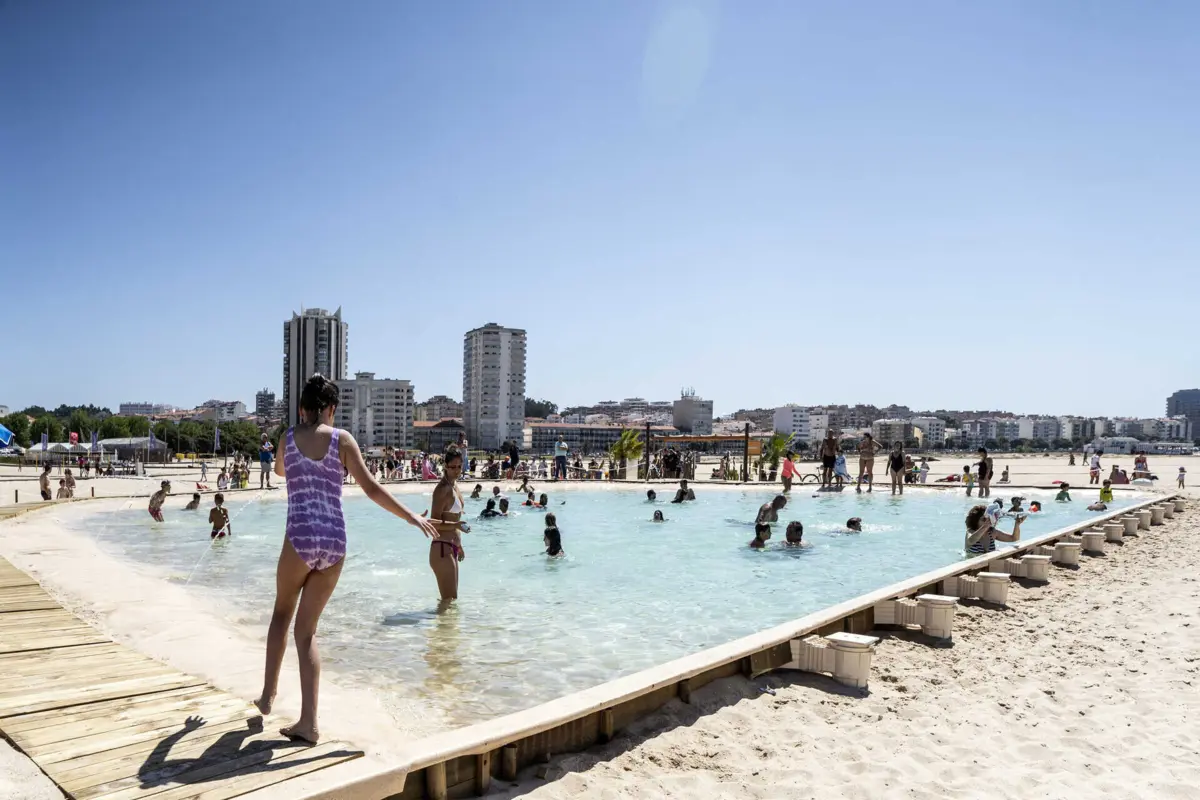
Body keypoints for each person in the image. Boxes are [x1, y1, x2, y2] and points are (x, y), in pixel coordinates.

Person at [255, 374, 438, 744]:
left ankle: (268, 696)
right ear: (332, 409)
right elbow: (371, 487)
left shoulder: (288, 437)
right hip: (335, 542)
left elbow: (279, 470)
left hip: (300, 537)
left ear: (302, 408)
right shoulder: (343, 440)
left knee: (282, 615)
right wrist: (411, 517)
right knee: (307, 633)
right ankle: (309, 722)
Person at [426, 445, 472, 603]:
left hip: (451, 547)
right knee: (448, 601)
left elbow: (455, 518)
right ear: (445, 466)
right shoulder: (442, 490)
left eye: (459, 466)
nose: (457, 470)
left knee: (451, 601)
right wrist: (456, 526)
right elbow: (433, 523)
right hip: (441, 548)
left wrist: (459, 545)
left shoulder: (454, 486)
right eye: (453, 467)